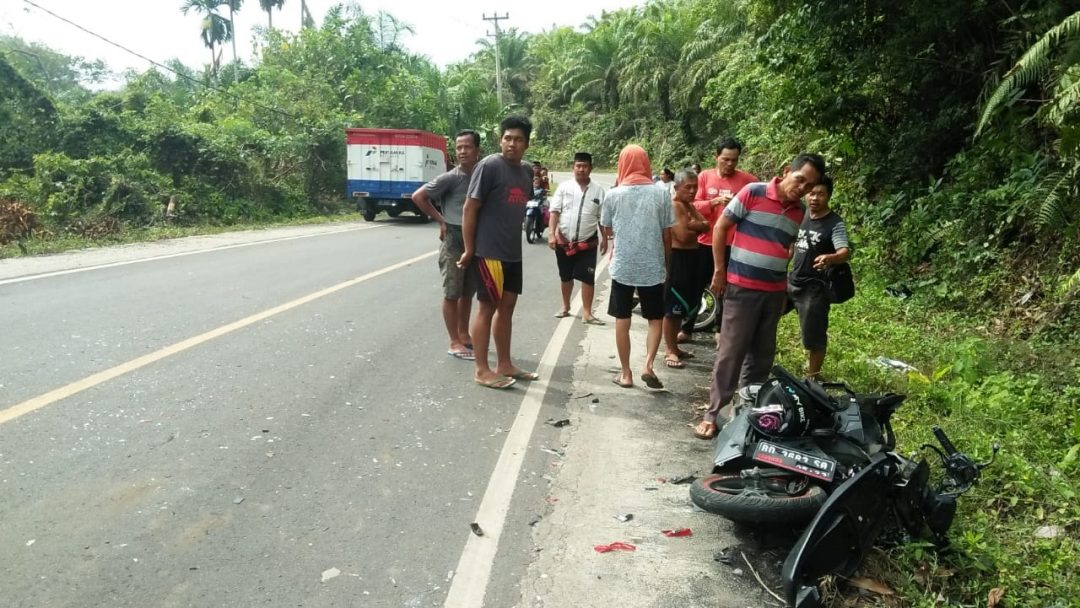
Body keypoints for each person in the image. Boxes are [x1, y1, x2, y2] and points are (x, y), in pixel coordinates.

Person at [694, 153, 826, 439]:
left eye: (809, 185)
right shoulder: (753, 192)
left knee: (761, 358)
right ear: (785, 171)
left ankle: (746, 414)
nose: (802, 188)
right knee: (731, 353)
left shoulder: (798, 211)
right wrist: (719, 271)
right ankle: (713, 413)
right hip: (742, 289)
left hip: (774, 293)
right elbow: (720, 227)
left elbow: (786, 246)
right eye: (800, 179)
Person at [458, 116, 538, 390]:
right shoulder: (490, 166)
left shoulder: (527, 172)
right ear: (500, 139)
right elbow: (470, 208)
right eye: (507, 138)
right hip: (489, 252)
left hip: (513, 253)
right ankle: (482, 369)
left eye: (517, 139)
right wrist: (470, 249)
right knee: (488, 308)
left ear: (526, 143)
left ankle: (504, 363)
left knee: (507, 308)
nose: (512, 144)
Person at [600, 144, 675, 390]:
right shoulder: (662, 192)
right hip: (652, 265)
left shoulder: (613, 195)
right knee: (655, 318)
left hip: (623, 265)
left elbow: (608, 229)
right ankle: (649, 365)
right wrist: (666, 263)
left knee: (622, 319)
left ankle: (625, 373)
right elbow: (667, 234)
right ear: (646, 163)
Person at [411, 130, 482, 361]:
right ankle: (454, 341)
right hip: (453, 238)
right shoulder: (450, 177)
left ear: (477, 150)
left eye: (467, 147)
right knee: (452, 291)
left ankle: (464, 333)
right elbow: (418, 196)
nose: (462, 151)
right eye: (459, 147)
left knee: (467, 291)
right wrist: (440, 220)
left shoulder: (483, 175)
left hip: (475, 240)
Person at [681, 138, 757, 344]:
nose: (730, 164)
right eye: (725, 159)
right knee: (696, 286)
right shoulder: (704, 177)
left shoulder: (749, 181)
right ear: (716, 157)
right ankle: (687, 327)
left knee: (727, 289)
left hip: (734, 244)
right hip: (705, 242)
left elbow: (756, 210)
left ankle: (720, 329)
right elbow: (691, 205)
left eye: (734, 160)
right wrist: (713, 202)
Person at [787, 175, 850, 379]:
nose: (815, 198)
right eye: (812, 193)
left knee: (814, 338)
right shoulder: (801, 215)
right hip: (790, 281)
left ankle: (813, 377)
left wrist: (830, 257)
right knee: (765, 316)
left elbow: (844, 251)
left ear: (829, 196)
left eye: (821, 194)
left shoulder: (834, 223)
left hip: (814, 289)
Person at [549, 151, 608, 324]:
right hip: (564, 241)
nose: (581, 169)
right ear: (573, 167)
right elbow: (554, 212)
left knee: (587, 278)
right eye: (578, 166)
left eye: (585, 166)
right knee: (565, 276)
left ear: (591, 169)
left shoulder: (598, 191)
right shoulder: (564, 188)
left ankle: (587, 313)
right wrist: (552, 234)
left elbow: (601, 218)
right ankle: (565, 307)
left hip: (587, 243)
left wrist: (605, 238)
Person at [662, 169, 709, 369]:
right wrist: (698, 226)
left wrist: (697, 225)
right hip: (677, 258)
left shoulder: (688, 206)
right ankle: (670, 350)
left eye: (695, 187)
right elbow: (682, 235)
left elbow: (707, 225)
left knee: (683, 306)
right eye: (687, 187)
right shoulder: (674, 206)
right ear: (677, 187)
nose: (692, 191)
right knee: (672, 307)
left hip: (692, 258)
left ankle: (676, 347)